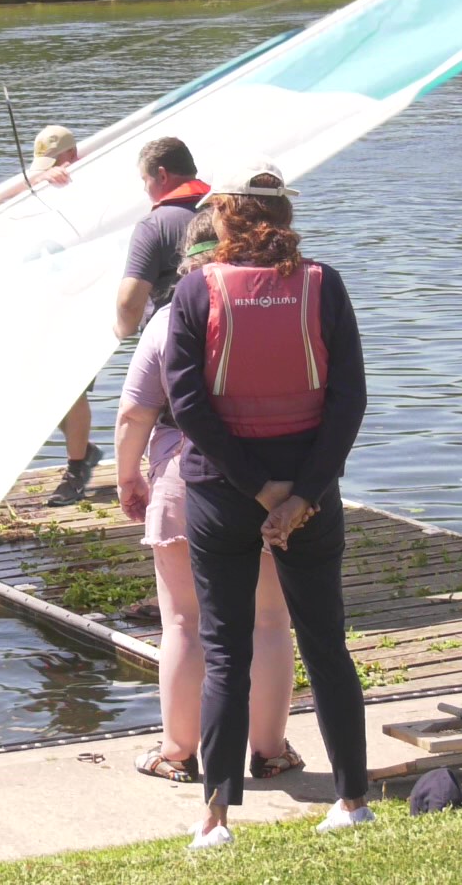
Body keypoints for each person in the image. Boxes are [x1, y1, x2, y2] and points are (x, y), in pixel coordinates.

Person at [165, 157, 372, 848]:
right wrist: (302, 493)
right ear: (285, 222)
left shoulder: (196, 292)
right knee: (325, 646)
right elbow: (348, 400)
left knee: (226, 650)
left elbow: (189, 405)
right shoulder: (325, 285)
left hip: (221, 492)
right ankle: (351, 800)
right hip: (309, 494)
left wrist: (256, 489)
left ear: (221, 222)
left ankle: (215, 819)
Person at [118, 207, 298, 786]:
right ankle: (270, 751)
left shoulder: (168, 319)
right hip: (272, 481)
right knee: (269, 622)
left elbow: (133, 413)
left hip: (182, 479)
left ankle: (178, 752)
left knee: (185, 625)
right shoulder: (281, 310)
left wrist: (128, 478)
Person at [30, 123, 102, 507]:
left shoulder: (89, 185)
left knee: (70, 390)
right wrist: (39, 175)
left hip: (80, 305)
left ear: (73, 157)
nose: (51, 169)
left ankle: (76, 469)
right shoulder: (38, 184)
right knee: (44, 390)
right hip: (44, 303)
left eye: (57, 161)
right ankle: (83, 451)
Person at [114, 137, 214, 340]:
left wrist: (122, 330)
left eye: (145, 180)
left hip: (175, 343)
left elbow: (129, 303)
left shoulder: (153, 225)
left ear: (161, 175)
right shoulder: (231, 213)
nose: (145, 189)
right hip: (227, 336)